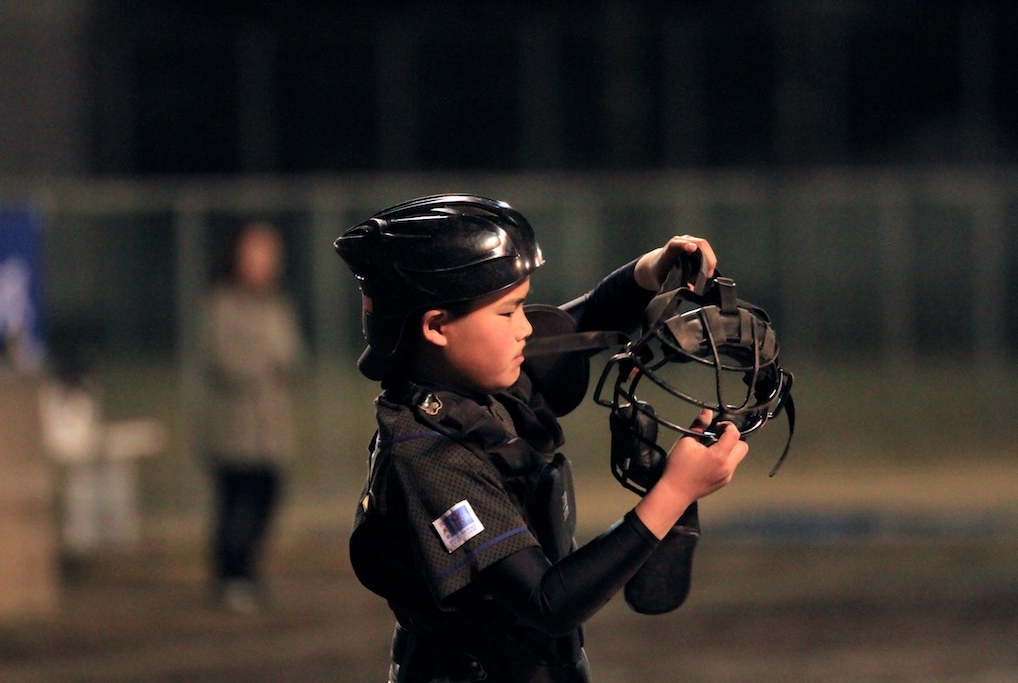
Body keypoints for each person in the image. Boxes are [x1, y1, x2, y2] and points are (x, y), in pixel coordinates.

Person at [334, 195, 748, 682]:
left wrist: (652, 270)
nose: (526, 328)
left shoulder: (470, 393)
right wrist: (675, 492)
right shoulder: (428, 453)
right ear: (437, 326)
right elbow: (547, 601)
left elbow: (586, 322)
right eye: (508, 312)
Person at [197, 221, 306, 614]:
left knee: (268, 497)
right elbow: (226, 361)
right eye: (255, 255)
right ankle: (230, 576)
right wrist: (266, 363)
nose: (264, 264)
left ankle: (249, 571)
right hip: (234, 428)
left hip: (270, 429)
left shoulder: (277, 304)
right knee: (234, 503)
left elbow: (292, 356)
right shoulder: (221, 305)